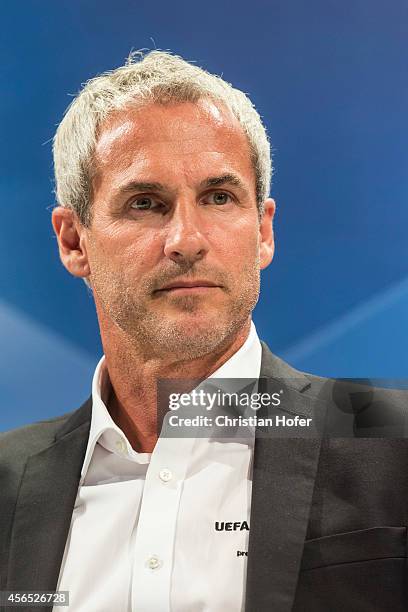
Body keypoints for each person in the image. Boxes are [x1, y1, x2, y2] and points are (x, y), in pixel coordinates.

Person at [1, 51, 407, 612]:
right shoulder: (7, 483)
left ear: (263, 231)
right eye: (146, 203)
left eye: (219, 197)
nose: (186, 240)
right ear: (74, 241)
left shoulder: (394, 446)